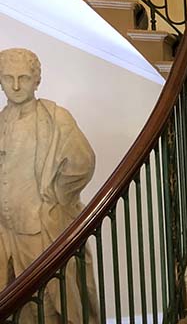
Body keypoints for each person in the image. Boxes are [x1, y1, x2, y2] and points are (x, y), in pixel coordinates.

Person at [0, 48, 98, 324]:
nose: (16, 85)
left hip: (42, 228)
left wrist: (56, 198)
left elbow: (81, 163)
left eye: (23, 78)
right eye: (8, 78)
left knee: (55, 302)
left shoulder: (55, 119)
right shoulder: (0, 121)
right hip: (6, 232)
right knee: (18, 306)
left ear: (36, 80)